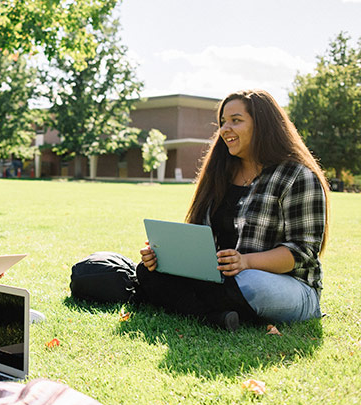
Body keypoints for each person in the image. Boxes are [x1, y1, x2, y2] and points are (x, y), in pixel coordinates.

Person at [135, 89, 328, 331]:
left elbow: (303, 252)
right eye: (223, 122)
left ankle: (193, 306)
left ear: (263, 125)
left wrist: (246, 262)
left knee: (249, 282)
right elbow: (199, 239)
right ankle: (218, 315)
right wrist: (165, 255)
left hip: (285, 285)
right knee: (147, 271)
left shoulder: (297, 176)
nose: (225, 129)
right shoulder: (220, 174)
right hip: (221, 278)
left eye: (236, 120)